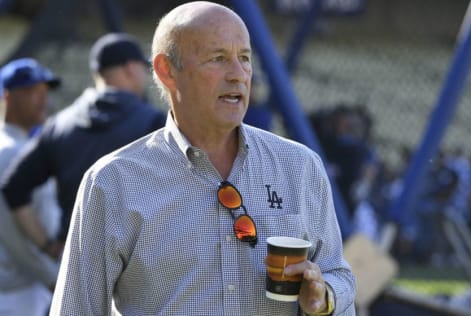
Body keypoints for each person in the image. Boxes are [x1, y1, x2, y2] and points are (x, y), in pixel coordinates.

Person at [50, 2, 356, 315]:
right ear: (166, 70)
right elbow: (75, 309)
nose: (238, 75)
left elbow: (339, 275)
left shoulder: (300, 167)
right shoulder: (113, 182)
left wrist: (324, 296)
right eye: (218, 58)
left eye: (245, 58)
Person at [1, 33, 167, 258]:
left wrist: (48, 247)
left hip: (75, 263)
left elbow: (14, 187)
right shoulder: (155, 123)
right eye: (143, 68)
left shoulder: (58, 124)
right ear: (130, 68)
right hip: (136, 264)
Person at [0, 58, 62, 316]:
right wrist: (54, 278)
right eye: (30, 91)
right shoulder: (8, 151)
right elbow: (11, 232)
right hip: (13, 295)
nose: (41, 99)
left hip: (30, 286)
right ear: (7, 97)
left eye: (43, 91)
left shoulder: (28, 146)